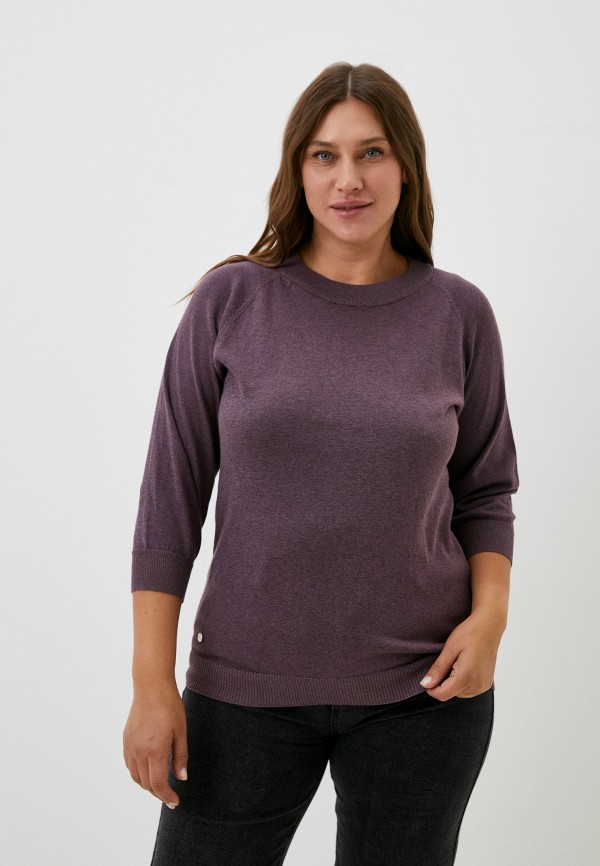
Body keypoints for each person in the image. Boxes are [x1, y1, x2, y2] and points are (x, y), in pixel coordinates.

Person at [123, 61, 519, 866]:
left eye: (372, 153)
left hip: (424, 694)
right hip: (242, 689)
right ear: (296, 170)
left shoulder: (459, 313)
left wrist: (491, 620)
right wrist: (152, 683)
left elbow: (485, 491)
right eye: (324, 155)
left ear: (406, 166)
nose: (348, 180)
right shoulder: (232, 302)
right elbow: (170, 504)